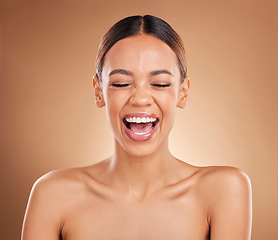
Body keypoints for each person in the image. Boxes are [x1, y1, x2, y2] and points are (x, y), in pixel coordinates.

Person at [21, 15, 252, 240]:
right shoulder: (53, 195)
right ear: (98, 91)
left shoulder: (224, 190)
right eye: (121, 83)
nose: (140, 99)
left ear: (183, 92)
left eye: (160, 84)